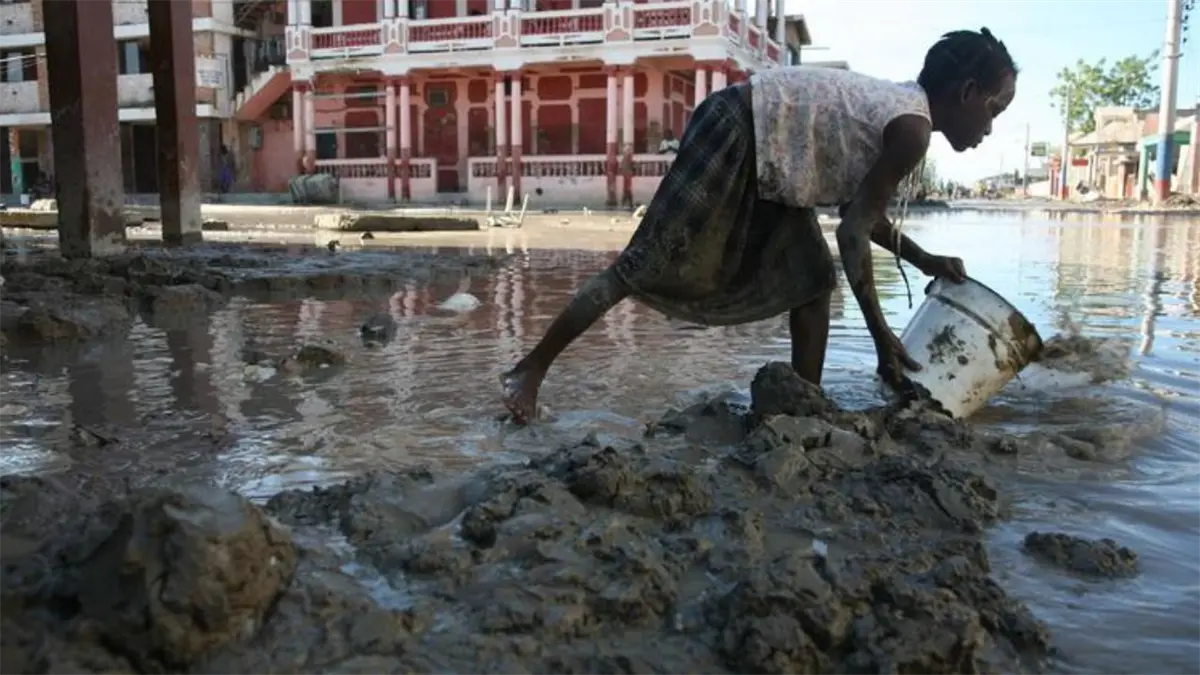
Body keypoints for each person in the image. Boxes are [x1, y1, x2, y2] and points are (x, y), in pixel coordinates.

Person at [501, 28, 1017, 424]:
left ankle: (803, 405)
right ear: (968, 91)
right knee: (644, 264)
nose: (990, 128)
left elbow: (860, 216)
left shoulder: (905, 120)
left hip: (777, 160)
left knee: (813, 281)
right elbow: (853, 234)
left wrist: (925, 260)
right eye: (993, 110)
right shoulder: (911, 130)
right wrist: (882, 338)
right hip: (737, 128)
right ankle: (531, 367)